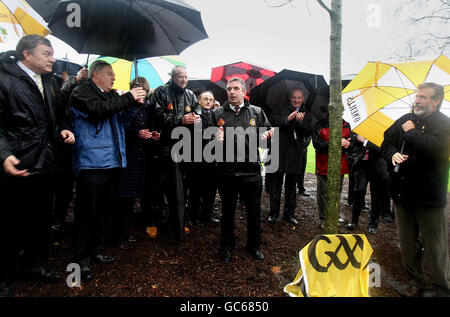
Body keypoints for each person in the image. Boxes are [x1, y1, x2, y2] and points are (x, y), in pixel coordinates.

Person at [0, 35, 75, 297]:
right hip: (18, 164)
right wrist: (4, 154)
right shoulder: (4, 80)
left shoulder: (52, 83)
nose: (52, 59)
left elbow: (60, 116)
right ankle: (3, 277)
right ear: (26, 55)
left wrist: (64, 129)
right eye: (46, 53)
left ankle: (35, 266)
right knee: (11, 223)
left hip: (48, 163)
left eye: (52, 54)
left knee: (41, 219)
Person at [69, 60, 146, 281]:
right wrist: (128, 97)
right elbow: (98, 112)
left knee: (103, 212)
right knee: (87, 213)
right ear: (96, 75)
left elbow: (121, 119)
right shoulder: (81, 93)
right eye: (110, 74)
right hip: (91, 164)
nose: (113, 77)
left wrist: (135, 105)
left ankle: (96, 250)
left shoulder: (112, 96)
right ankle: (80, 260)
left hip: (112, 162)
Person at [381, 82, 450, 297]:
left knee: (435, 247)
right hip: (403, 195)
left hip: (429, 197)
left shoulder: (444, 124)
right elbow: (386, 142)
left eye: (423, 97)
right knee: (408, 244)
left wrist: (411, 134)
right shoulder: (405, 119)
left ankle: (442, 289)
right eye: (417, 96)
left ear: (436, 100)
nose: (417, 100)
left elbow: (438, 148)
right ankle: (416, 282)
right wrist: (392, 154)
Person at [211, 77, 273, 262]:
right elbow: (206, 141)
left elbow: (268, 135)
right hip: (226, 172)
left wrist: (267, 137)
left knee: (254, 212)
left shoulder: (257, 112)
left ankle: (254, 245)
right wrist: (214, 139)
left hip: (251, 172)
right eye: (229, 88)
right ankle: (227, 245)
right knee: (228, 211)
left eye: (236, 88)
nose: (231, 92)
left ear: (244, 91)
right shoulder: (217, 114)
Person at [148, 65, 199, 242]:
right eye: (180, 76)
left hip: (183, 148)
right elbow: (156, 115)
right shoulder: (161, 92)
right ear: (172, 77)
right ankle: (153, 222)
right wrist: (180, 120)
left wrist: (197, 117)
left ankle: (176, 222)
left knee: (180, 189)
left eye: (186, 76)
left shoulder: (190, 95)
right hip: (162, 149)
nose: (184, 80)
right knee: (158, 187)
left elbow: (197, 110)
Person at [112, 77, 158, 248]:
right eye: (136, 89)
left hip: (141, 159)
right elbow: (120, 130)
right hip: (127, 159)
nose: (140, 93)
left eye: (143, 90)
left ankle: (124, 232)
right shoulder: (125, 108)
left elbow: (148, 129)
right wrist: (136, 134)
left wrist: (152, 135)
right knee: (121, 199)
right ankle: (116, 234)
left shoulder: (147, 109)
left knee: (132, 198)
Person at [266, 87, 312, 226]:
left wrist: (299, 123)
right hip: (278, 152)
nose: (296, 100)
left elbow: (308, 131)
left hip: (294, 154)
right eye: (294, 97)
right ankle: (273, 214)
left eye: (299, 98)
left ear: (303, 98)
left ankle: (289, 214)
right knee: (275, 186)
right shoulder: (280, 108)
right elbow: (272, 121)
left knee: (291, 188)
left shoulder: (306, 113)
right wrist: (288, 119)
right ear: (289, 97)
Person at [312, 106, 351, 228]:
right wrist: (335, 143)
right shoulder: (320, 125)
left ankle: (333, 214)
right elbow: (317, 144)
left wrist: (348, 144)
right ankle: (323, 217)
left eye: (340, 111)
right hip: (323, 164)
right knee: (323, 192)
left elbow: (352, 143)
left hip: (341, 164)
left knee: (336, 192)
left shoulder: (347, 126)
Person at [185, 91, 220, 226]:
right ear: (198, 100)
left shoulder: (215, 114)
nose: (208, 102)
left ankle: (206, 217)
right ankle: (193, 217)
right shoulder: (194, 114)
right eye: (205, 99)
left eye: (211, 100)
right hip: (196, 158)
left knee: (210, 191)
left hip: (211, 159)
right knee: (195, 190)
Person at [346, 133, 391, 234]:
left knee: (376, 195)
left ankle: (373, 224)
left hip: (378, 167)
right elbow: (353, 147)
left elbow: (381, 148)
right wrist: (351, 142)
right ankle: (354, 221)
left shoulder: (385, 130)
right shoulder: (363, 128)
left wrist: (364, 141)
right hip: (362, 165)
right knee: (359, 191)